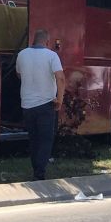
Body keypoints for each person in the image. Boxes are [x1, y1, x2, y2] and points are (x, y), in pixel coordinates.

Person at [16, 29, 65, 181]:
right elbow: (61, 78)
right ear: (47, 42)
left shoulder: (22, 55)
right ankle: (39, 172)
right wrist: (60, 99)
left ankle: (36, 168)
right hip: (46, 104)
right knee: (45, 139)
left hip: (27, 104)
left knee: (33, 139)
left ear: (33, 40)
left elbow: (18, 74)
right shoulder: (52, 55)